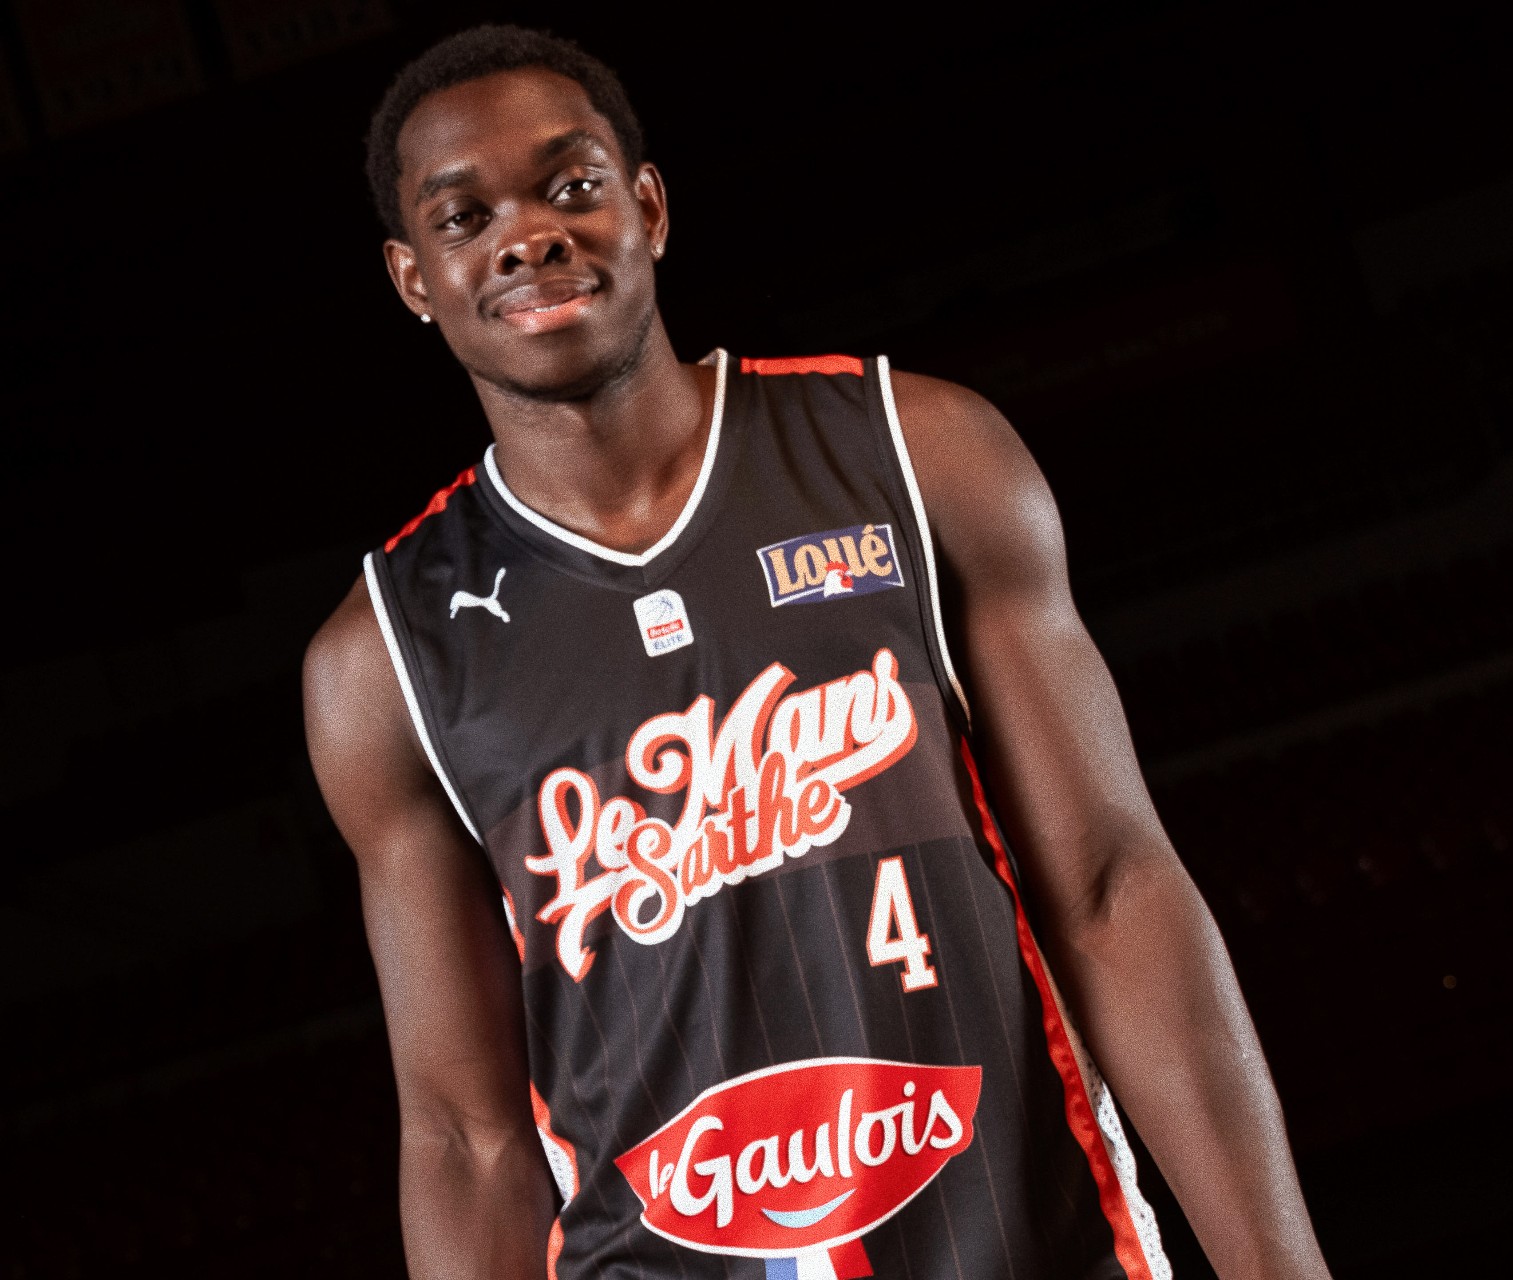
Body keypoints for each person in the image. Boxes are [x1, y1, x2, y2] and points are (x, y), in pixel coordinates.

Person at [303, 24, 1333, 1280]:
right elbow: (465, 1137)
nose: (528, 236)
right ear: (413, 278)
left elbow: (1114, 891)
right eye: (466, 219)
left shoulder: (917, 451)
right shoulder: (384, 657)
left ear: (648, 207)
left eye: (570, 186)